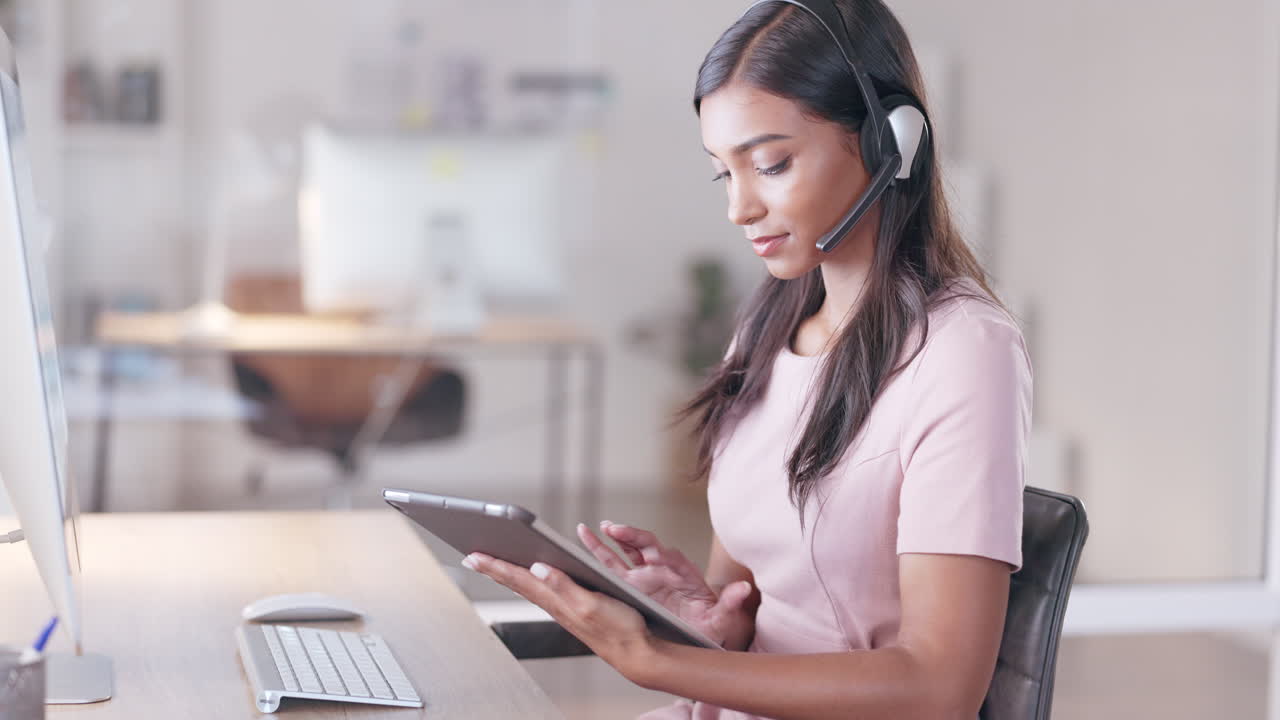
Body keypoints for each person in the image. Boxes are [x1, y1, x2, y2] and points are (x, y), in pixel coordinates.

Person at [463, 1, 1031, 717]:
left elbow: (938, 688)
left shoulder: (962, 350)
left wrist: (659, 661)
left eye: (770, 164)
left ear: (894, 142)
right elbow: (753, 606)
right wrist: (706, 621)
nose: (739, 207)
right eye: (723, 174)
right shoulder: (768, 325)